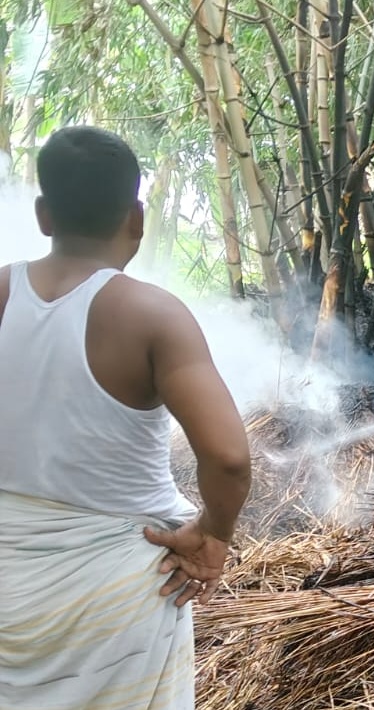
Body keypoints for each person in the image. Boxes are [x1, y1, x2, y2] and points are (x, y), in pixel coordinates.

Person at [0, 126, 251, 708]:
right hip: (116, 596)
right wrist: (213, 535)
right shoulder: (152, 315)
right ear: (136, 218)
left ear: (43, 215)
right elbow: (229, 458)